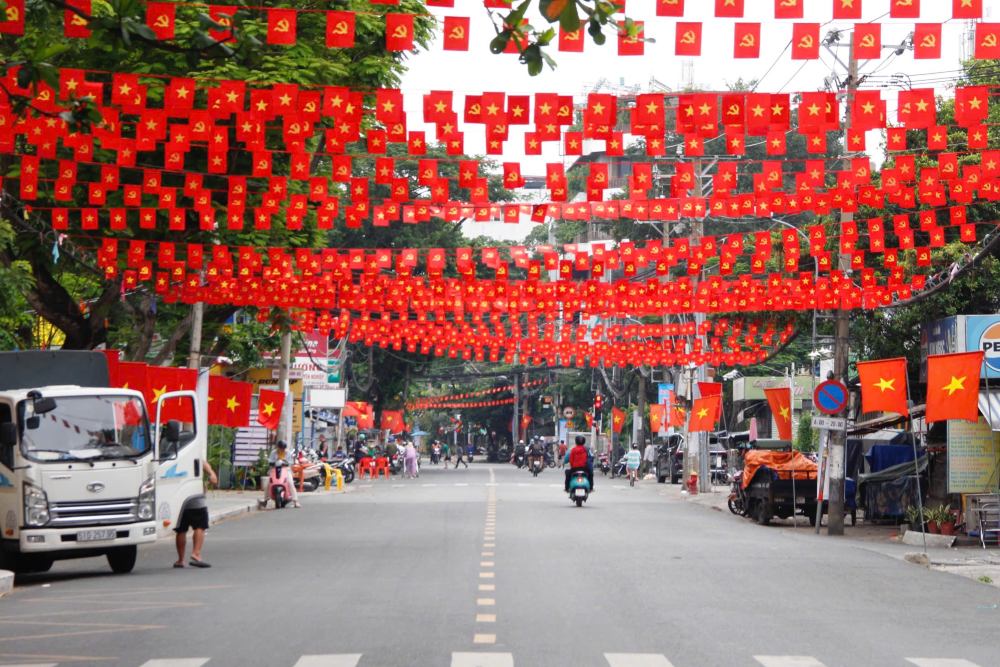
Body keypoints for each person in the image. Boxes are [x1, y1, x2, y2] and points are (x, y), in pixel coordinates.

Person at [174, 459, 218, 568]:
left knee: (181, 529)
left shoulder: (173, 454)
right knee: (200, 525)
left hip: (179, 498)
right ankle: (196, 553)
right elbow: (202, 462)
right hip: (195, 496)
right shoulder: (193, 451)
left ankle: (180, 560)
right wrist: (211, 473)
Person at [258, 441, 300, 509]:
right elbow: (270, 461)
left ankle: (296, 501)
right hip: (274, 469)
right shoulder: (273, 452)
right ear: (278, 447)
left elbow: (290, 462)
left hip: (285, 469)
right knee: (268, 484)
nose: (282, 449)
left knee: (290, 483)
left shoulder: (288, 453)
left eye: (283, 448)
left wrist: (285, 462)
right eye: (281, 448)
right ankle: (265, 501)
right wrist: (273, 462)